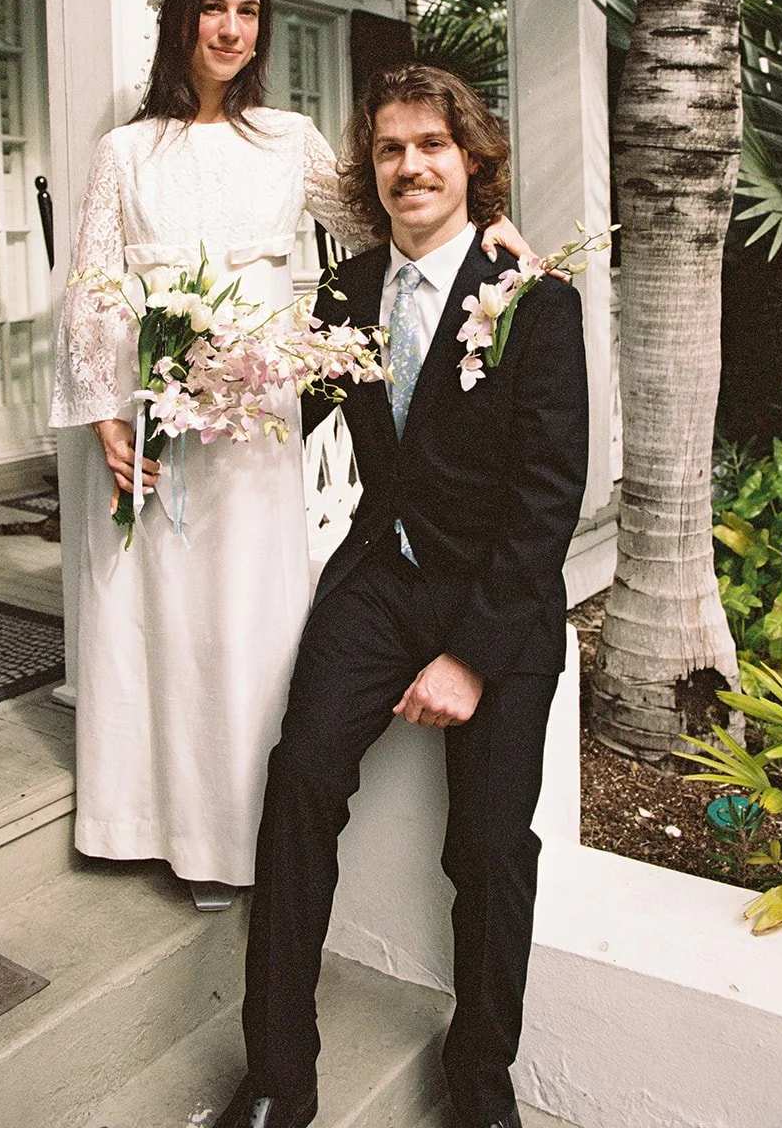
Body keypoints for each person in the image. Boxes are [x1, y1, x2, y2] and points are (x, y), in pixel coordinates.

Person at [49, 0, 536, 912]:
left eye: (247, 11)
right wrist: (109, 413)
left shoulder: (288, 137)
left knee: (242, 620)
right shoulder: (125, 149)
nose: (230, 29)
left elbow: (387, 220)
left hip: (261, 406)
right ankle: (139, 822)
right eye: (212, 7)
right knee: (154, 615)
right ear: (180, 16)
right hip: (162, 405)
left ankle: (231, 840)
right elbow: (94, 287)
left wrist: (487, 227)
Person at [213, 64, 590, 1128]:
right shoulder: (346, 291)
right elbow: (282, 407)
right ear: (368, 170)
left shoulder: (535, 300)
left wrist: (469, 655)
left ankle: (479, 1076)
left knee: (486, 844)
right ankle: (279, 1071)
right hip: (380, 580)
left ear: (470, 158)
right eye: (388, 149)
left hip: (498, 603)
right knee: (297, 782)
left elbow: (547, 498)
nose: (409, 165)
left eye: (430, 144)